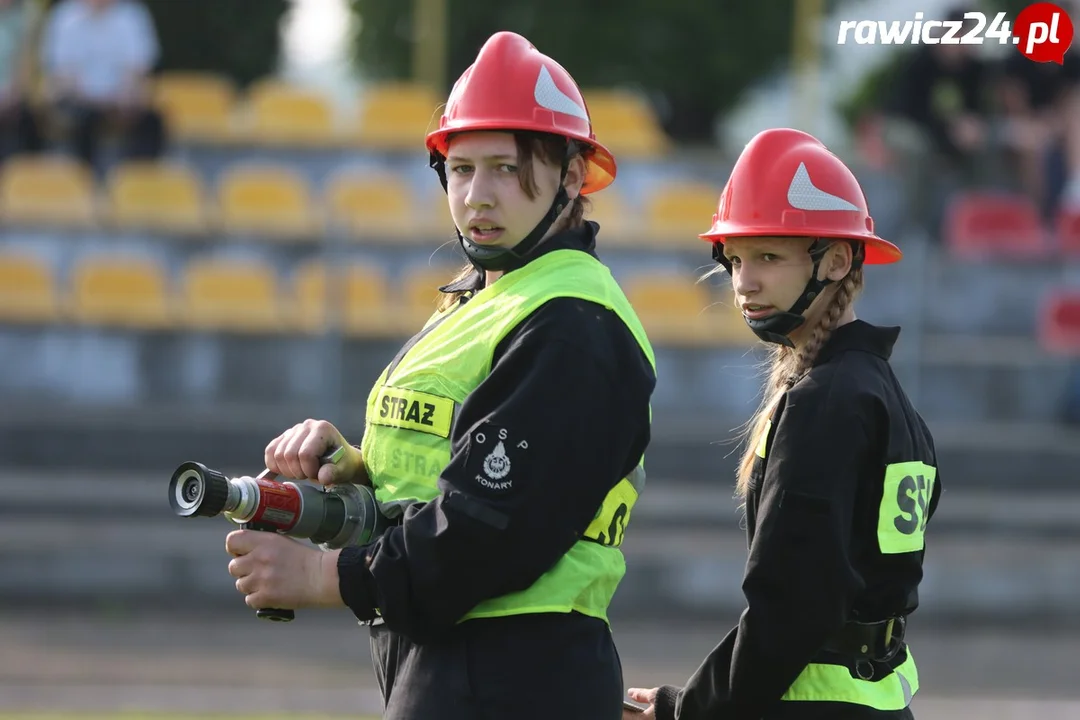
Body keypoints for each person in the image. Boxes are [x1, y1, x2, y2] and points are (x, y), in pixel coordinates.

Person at [222, 31, 657, 720]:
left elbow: (488, 531)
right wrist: (358, 470)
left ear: (572, 178)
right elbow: (454, 474)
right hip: (465, 663)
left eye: (505, 170)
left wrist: (322, 576)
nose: (477, 196)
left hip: (512, 669)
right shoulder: (491, 294)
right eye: (460, 169)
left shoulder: (571, 319)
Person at [625, 128, 942, 720]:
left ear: (839, 259)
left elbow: (791, 610)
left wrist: (684, 710)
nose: (744, 281)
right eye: (737, 259)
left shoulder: (825, 402)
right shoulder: (885, 395)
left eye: (769, 256)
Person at [39, 0, 165, 170]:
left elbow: (138, 68)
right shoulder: (65, 16)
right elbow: (61, 71)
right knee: (76, 115)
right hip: (79, 99)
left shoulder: (133, 15)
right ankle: (82, 177)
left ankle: (141, 179)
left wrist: (124, 95)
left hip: (121, 98)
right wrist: (87, 97)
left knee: (153, 119)